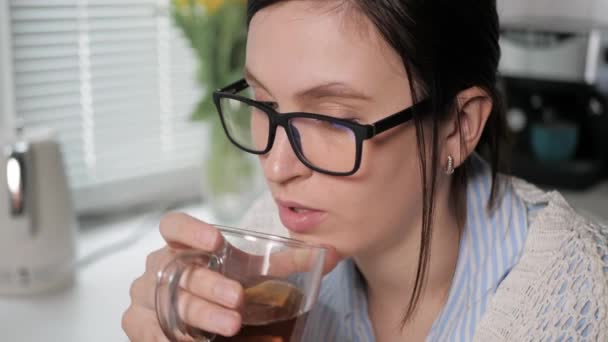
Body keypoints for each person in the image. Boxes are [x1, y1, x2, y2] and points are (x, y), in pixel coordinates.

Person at [122, 0, 608, 341]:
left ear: (458, 127)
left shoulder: (586, 300)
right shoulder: (262, 250)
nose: (274, 166)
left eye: (334, 119)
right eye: (263, 103)